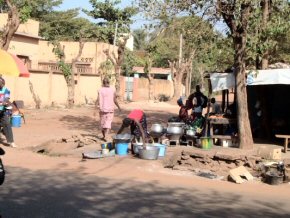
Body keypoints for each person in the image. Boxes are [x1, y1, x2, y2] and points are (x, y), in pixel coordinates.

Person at [95, 77, 120, 141]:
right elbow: (115, 100)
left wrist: (95, 109)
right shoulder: (112, 90)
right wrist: (119, 107)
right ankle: (106, 136)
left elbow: (97, 100)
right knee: (108, 123)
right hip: (110, 109)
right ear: (109, 83)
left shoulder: (100, 90)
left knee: (103, 124)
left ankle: (104, 136)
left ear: (103, 83)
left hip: (102, 109)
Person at [0, 77, 16, 147]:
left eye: (1, 83)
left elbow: (6, 98)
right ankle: (3, 131)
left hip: (2, 110)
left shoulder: (6, 90)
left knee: (7, 124)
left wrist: (3, 102)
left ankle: (11, 142)